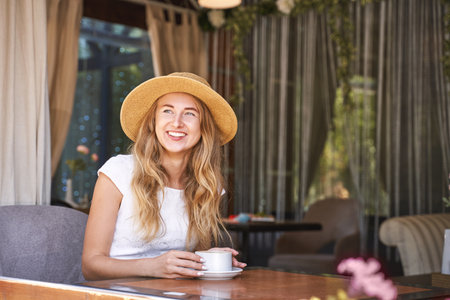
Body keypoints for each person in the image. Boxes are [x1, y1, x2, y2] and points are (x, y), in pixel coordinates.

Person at [82, 72, 246, 280]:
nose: (177, 123)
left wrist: (207, 261)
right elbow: (90, 266)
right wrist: (152, 267)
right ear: (153, 121)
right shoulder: (117, 173)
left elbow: (186, 262)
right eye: (168, 111)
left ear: (204, 128)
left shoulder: (207, 185)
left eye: (190, 114)